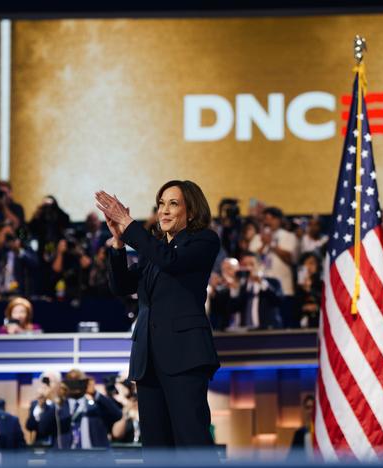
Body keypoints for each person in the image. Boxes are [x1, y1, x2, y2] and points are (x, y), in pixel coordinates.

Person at [97, 179, 220, 448]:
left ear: (191, 211)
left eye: (173, 204)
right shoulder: (155, 249)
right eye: (161, 204)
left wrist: (129, 224)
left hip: (184, 355)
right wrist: (119, 244)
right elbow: (122, 286)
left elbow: (170, 261)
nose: (163, 210)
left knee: (191, 441)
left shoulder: (203, 240)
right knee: (155, 446)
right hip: (148, 358)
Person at [35, 369, 121, 449]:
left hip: (94, 457)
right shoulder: (59, 407)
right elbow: (43, 429)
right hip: (65, 459)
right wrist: (58, 400)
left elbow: (117, 415)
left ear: (85, 383)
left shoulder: (96, 406)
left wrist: (95, 393)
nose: (75, 387)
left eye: (79, 382)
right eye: (71, 383)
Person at [233, 253, 283, 330]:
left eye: (251, 264)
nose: (248, 268)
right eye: (245, 265)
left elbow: (279, 301)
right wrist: (234, 289)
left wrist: (261, 282)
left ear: (260, 265)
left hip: (269, 331)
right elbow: (234, 308)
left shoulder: (273, 282)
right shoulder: (242, 286)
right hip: (246, 332)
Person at [25, 371, 62, 445]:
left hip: (57, 443)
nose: (47, 384)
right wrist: (40, 405)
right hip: (40, 444)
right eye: (44, 381)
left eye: (50, 381)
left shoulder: (62, 402)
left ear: (58, 384)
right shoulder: (35, 404)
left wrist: (53, 401)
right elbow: (29, 426)